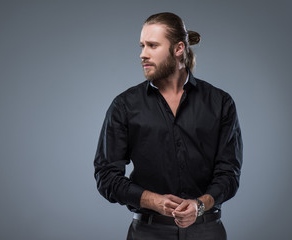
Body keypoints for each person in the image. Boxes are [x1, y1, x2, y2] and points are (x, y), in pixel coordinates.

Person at [94, 12, 243, 240]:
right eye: (142, 45)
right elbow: (106, 176)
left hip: (207, 231)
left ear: (179, 48)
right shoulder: (124, 105)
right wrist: (154, 201)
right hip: (148, 232)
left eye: (152, 45)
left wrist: (199, 206)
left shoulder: (220, 103)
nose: (143, 54)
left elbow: (229, 174)